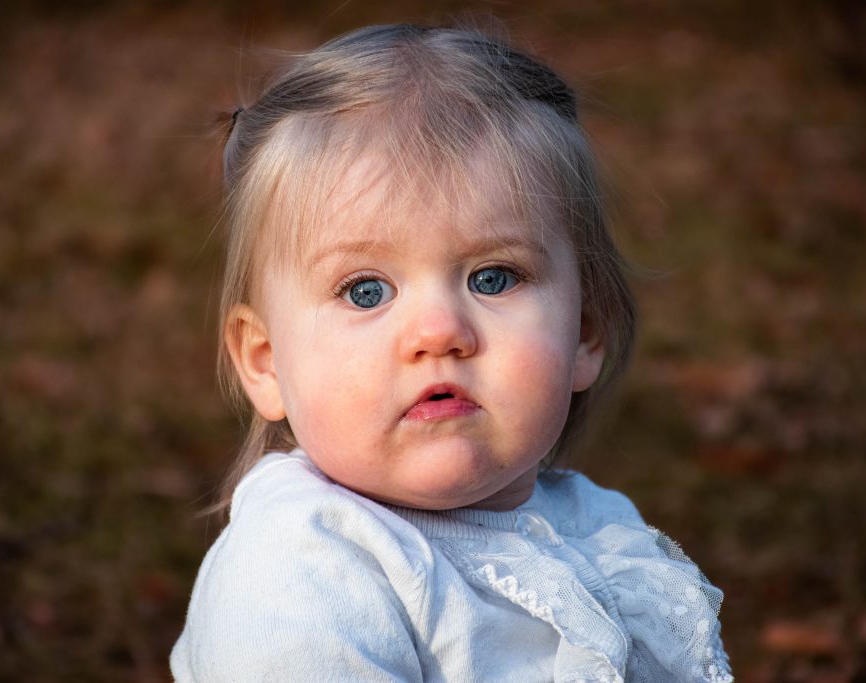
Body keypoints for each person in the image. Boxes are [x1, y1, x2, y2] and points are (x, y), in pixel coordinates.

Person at [171, 23, 731, 682]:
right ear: (266, 361)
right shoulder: (299, 569)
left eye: (493, 277)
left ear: (585, 333)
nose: (438, 331)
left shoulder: (595, 527)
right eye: (366, 290)